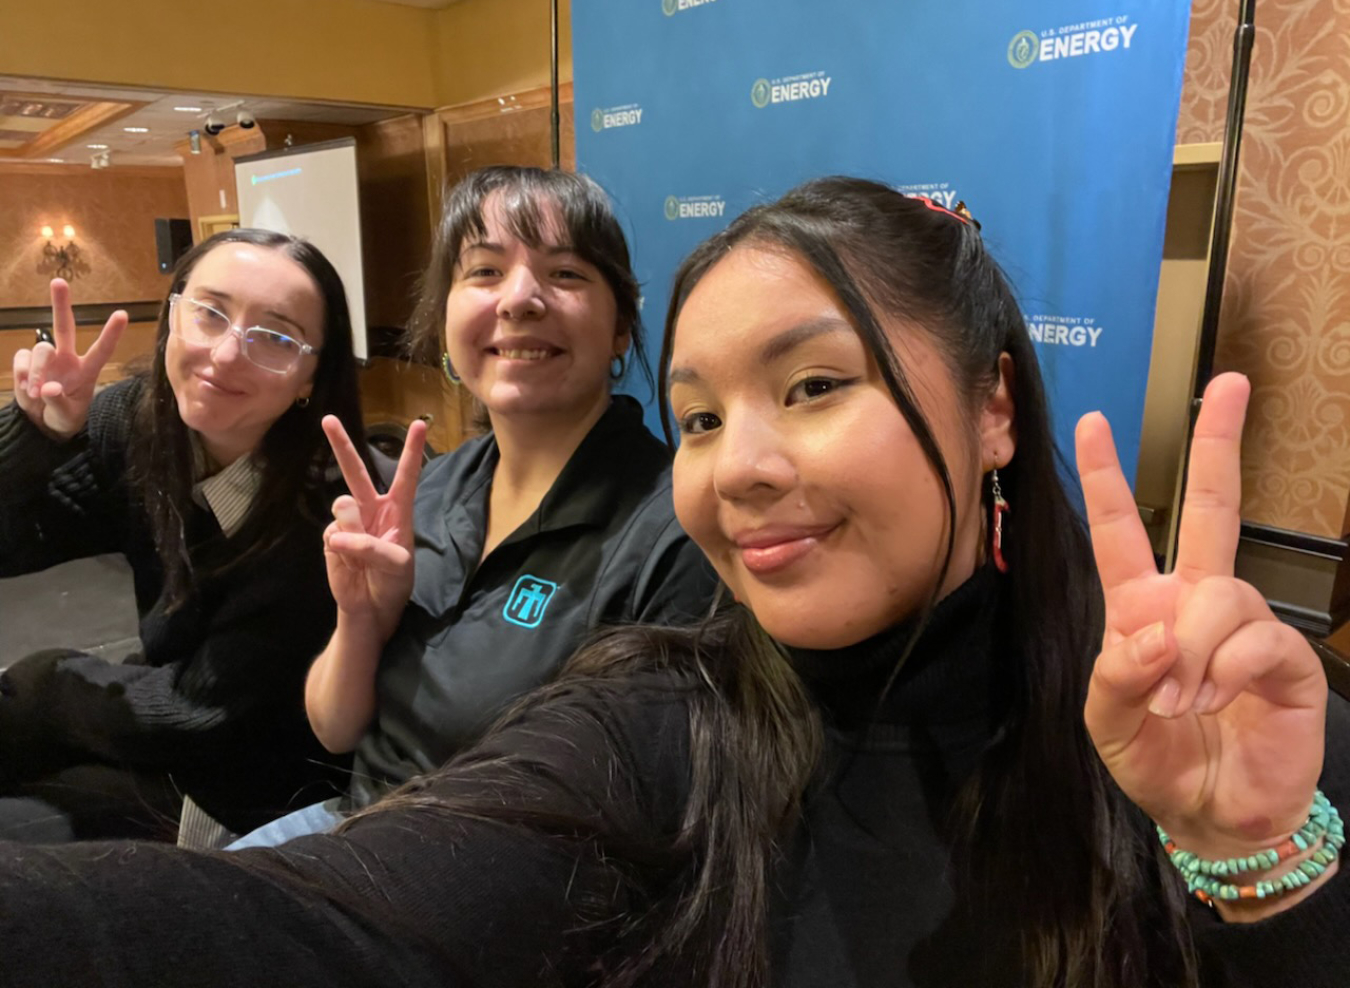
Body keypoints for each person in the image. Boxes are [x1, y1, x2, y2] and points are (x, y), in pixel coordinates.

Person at [0, 178, 1344, 988]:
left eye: (813, 386)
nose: (739, 468)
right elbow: (326, 922)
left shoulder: (1220, 708)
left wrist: (1255, 859)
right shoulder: (655, 710)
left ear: (994, 407)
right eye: (700, 417)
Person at [227, 165, 717, 848]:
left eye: (567, 274)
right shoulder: (436, 483)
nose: (519, 298)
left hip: (480, 880)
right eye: (484, 271)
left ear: (621, 330)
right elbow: (335, 730)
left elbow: (637, 822)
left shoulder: (671, 527)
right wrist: (362, 617)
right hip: (356, 820)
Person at [0, 229, 371, 842]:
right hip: (145, 720)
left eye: (275, 337)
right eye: (209, 314)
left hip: (244, 783)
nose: (225, 355)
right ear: (172, 317)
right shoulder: (137, 421)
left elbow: (203, 716)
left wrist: (47, 687)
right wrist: (35, 436)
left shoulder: (330, 512)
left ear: (311, 376)